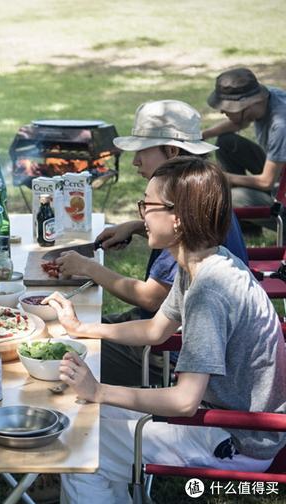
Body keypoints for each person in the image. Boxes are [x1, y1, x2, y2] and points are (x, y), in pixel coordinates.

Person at [46, 157, 286, 504]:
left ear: (178, 219)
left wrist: (99, 390)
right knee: (82, 416)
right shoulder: (203, 261)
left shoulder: (209, 291)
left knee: (80, 447)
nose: (141, 214)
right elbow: (157, 330)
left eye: (147, 204)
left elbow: (183, 401)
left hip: (236, 438)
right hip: (227, 421)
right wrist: (82, 328)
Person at [55, 100, 248, 386]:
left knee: (60, 354)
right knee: (72, 333)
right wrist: (137, 226)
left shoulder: (198, 257)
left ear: (171, 151)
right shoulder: (200, 199)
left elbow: (152, 298)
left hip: (171, 355)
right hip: (164, 330)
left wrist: (88, 267)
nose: (135, 162)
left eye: (141, 152)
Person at [202, 67, 286, 231]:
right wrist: (204, 134)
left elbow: (266, 181)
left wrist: (222, 178)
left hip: (280, 191)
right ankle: (249, 229)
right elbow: (240, 121)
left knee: (231, 196)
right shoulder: (266, 98)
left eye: (227, 110)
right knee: (227, 143)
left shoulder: (281, 126)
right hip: (281, 177)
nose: (222, 111)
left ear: (247, 105)